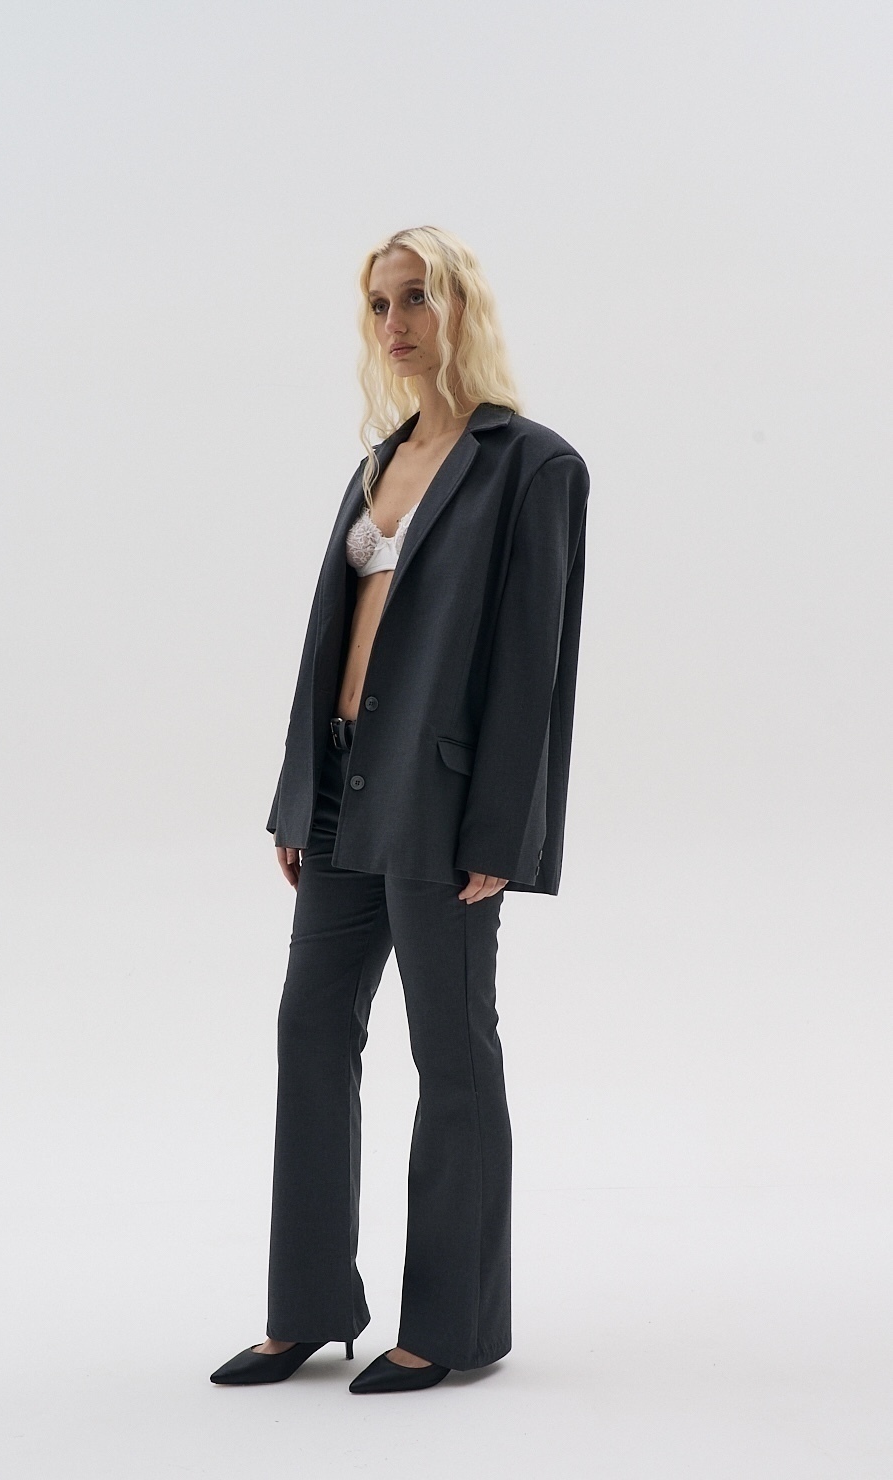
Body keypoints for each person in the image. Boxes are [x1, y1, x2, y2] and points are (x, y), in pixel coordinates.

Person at [210, 224, 590, 1395]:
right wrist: (297, 795)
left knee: (451, 1053)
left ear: (461, 305)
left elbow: (532, 669)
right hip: (340, 791)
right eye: (380, 304)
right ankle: (308, 1306)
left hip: (441, 802)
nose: (397, 323)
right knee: (309, 1030)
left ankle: (450, 1326)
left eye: (418, 297)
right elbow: (327, 640)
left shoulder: (532, 465)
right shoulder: (375, 463)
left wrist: (501, 834)